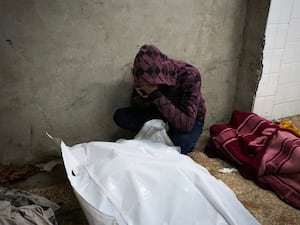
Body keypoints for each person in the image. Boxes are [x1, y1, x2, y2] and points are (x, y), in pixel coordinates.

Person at [113, 44, 206, 154]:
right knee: (121, 116)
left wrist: (155, 94)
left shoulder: (189, 75)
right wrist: (144, 97)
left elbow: (186, 124)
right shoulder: (142, 74)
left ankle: (166, 134)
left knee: (182, 144)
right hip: (160, 113)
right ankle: (163, 133)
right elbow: (137, 106)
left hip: (188, 118)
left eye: (153, 82)